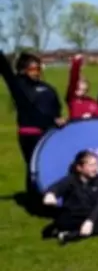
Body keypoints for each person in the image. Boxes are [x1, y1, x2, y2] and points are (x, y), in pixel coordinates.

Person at [0, 50, 65, 201]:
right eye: (32, 69)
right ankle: (34, 199)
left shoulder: (48, 89)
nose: (36, 72)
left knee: (48, 166)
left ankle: (48, 195)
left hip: (49, 133)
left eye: (38, 69)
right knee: (34, 167)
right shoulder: (20, 86)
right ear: (24, 70)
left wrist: (58, 119)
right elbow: (6, 71)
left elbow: (56, 110)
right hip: (30, 134)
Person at [41, 151, 98, 245]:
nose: (95, 168)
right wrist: (50, 195)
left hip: (91, 214)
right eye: (91, 165)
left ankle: (73, 235)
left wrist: (90, 221)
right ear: (79, 168)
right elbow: (56, 188)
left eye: (96, 165)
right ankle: (68, 230)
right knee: (62, 219)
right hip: (73, 215)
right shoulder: (71, 180)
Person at [65, 55, 98, 120]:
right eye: (77, 87)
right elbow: (73, 78)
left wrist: (91, 117)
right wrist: (76, 62)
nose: (79, 89)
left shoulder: (92, 102)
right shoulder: (72, 99)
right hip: (76, 126)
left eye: (83, 89)